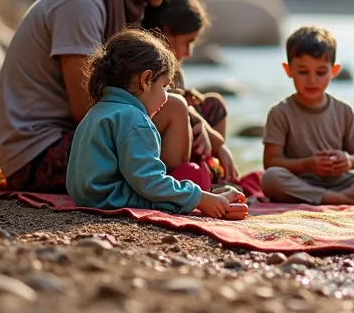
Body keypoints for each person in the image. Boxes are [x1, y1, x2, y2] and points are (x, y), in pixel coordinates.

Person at [0, 0, 206, 193]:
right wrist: (180, 116)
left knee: (206, 110)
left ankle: (179, 177)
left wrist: (199, 123)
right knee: (178, 111)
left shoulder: (121, 2)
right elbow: (87, 108)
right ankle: (171, 186)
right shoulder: (81, 2)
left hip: (77, 134)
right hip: (38, 153)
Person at [65, 27, 248, 219]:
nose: (166, 97)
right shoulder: (135, 119)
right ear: (145, 80)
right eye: (165, 86)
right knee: (172, 198)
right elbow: (150, 182)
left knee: (180, 195)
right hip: (111, 199)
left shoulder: (99, 110)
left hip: (88, 198)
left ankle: (207, 196)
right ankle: (206, 198)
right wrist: (199, 199)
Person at [260, 26, 354, 205]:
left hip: (343, 183)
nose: (312, 80)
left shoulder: (344, 110)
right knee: (270, 178)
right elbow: (271, 162)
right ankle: (340, 199)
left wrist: (348, 161)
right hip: (302, 182)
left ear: (334, 71)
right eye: (303, 72)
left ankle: (334, 197)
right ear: (288, 70)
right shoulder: (280, 112)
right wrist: (308, 164)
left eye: (320, 72)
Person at [140, 0, 239, 186]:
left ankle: (211, 170)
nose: (189, 52)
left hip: (180, 132)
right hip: (149, 137)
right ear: (164, 33)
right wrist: (199, 124)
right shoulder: (144, 65)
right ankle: (174, 181)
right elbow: (166, 104)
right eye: (188, 42)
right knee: (182, 109)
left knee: (214, 104)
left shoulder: (175, 71)